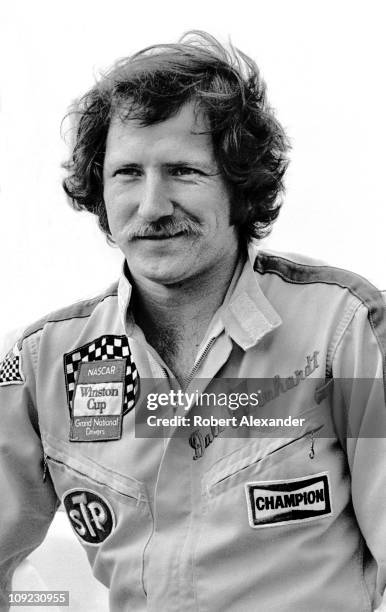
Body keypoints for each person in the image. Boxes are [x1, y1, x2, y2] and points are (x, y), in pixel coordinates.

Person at [0, 31, 385, 612]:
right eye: (127, 173)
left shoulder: (346, 328)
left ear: (240, 185)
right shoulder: (41, 363)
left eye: (183, 171)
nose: (151, 206)